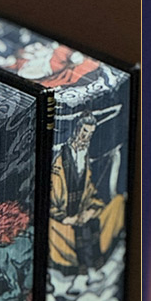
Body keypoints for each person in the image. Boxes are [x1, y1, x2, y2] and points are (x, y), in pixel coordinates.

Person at [48, 112, 125, 284]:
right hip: (65, 216)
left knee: (93, 221)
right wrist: (66, 218)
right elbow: (52, 199)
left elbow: (90, 191)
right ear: (76, 130)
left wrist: (90, 210)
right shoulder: (60, 163)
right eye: (84, 132)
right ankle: (86, 272)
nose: (86, 137)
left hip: (81, 212)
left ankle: (92, 270)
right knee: (82, 229)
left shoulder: (84, 157)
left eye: (90, 134)